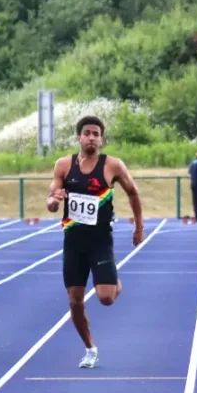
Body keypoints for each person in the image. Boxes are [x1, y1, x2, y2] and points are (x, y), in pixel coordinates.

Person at [47, 115, 144, 368]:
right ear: (79, 137)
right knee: (75, 299)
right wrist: (54, 201)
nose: (91, 137)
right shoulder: (64, 165)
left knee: (106, 298)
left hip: (101, 240)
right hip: (74, 242)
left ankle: (112, 280)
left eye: (96, 134)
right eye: (87, 133)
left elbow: (133, 192)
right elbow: (52, 200)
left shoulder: (112, 165)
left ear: (101, 140)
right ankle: (90, 348)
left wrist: (139, 227)